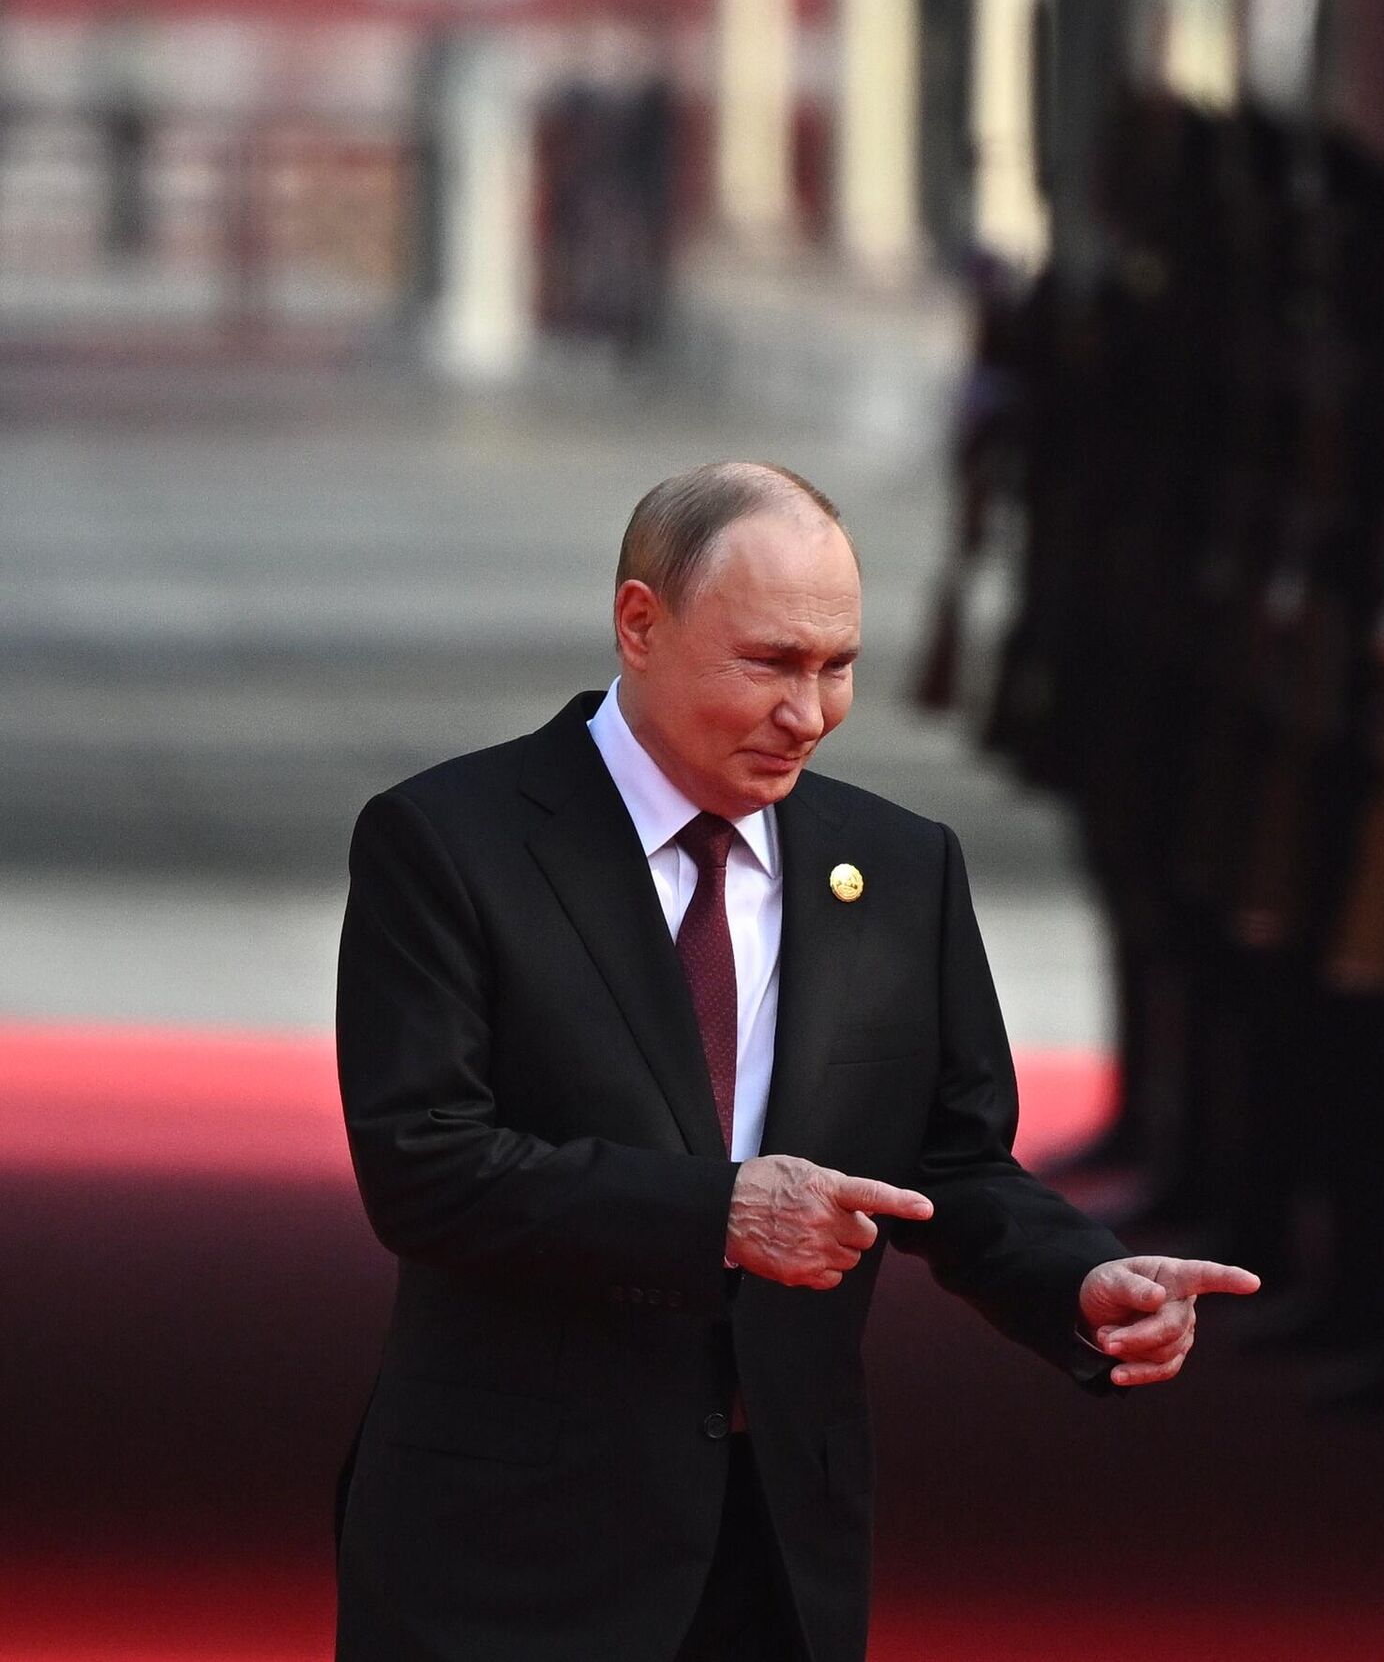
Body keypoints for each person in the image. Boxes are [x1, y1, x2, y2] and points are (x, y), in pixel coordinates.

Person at [332, 460, 1257, 1662]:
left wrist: (1080, 1278)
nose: (808, 712)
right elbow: (425, 1164)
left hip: (778, 1544)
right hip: (509, 1543)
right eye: (770, 663)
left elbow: (954, 1161)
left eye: (837, 666)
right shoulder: (451, 842)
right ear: (639, 624)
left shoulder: (901, 866)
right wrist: (720, 1212)